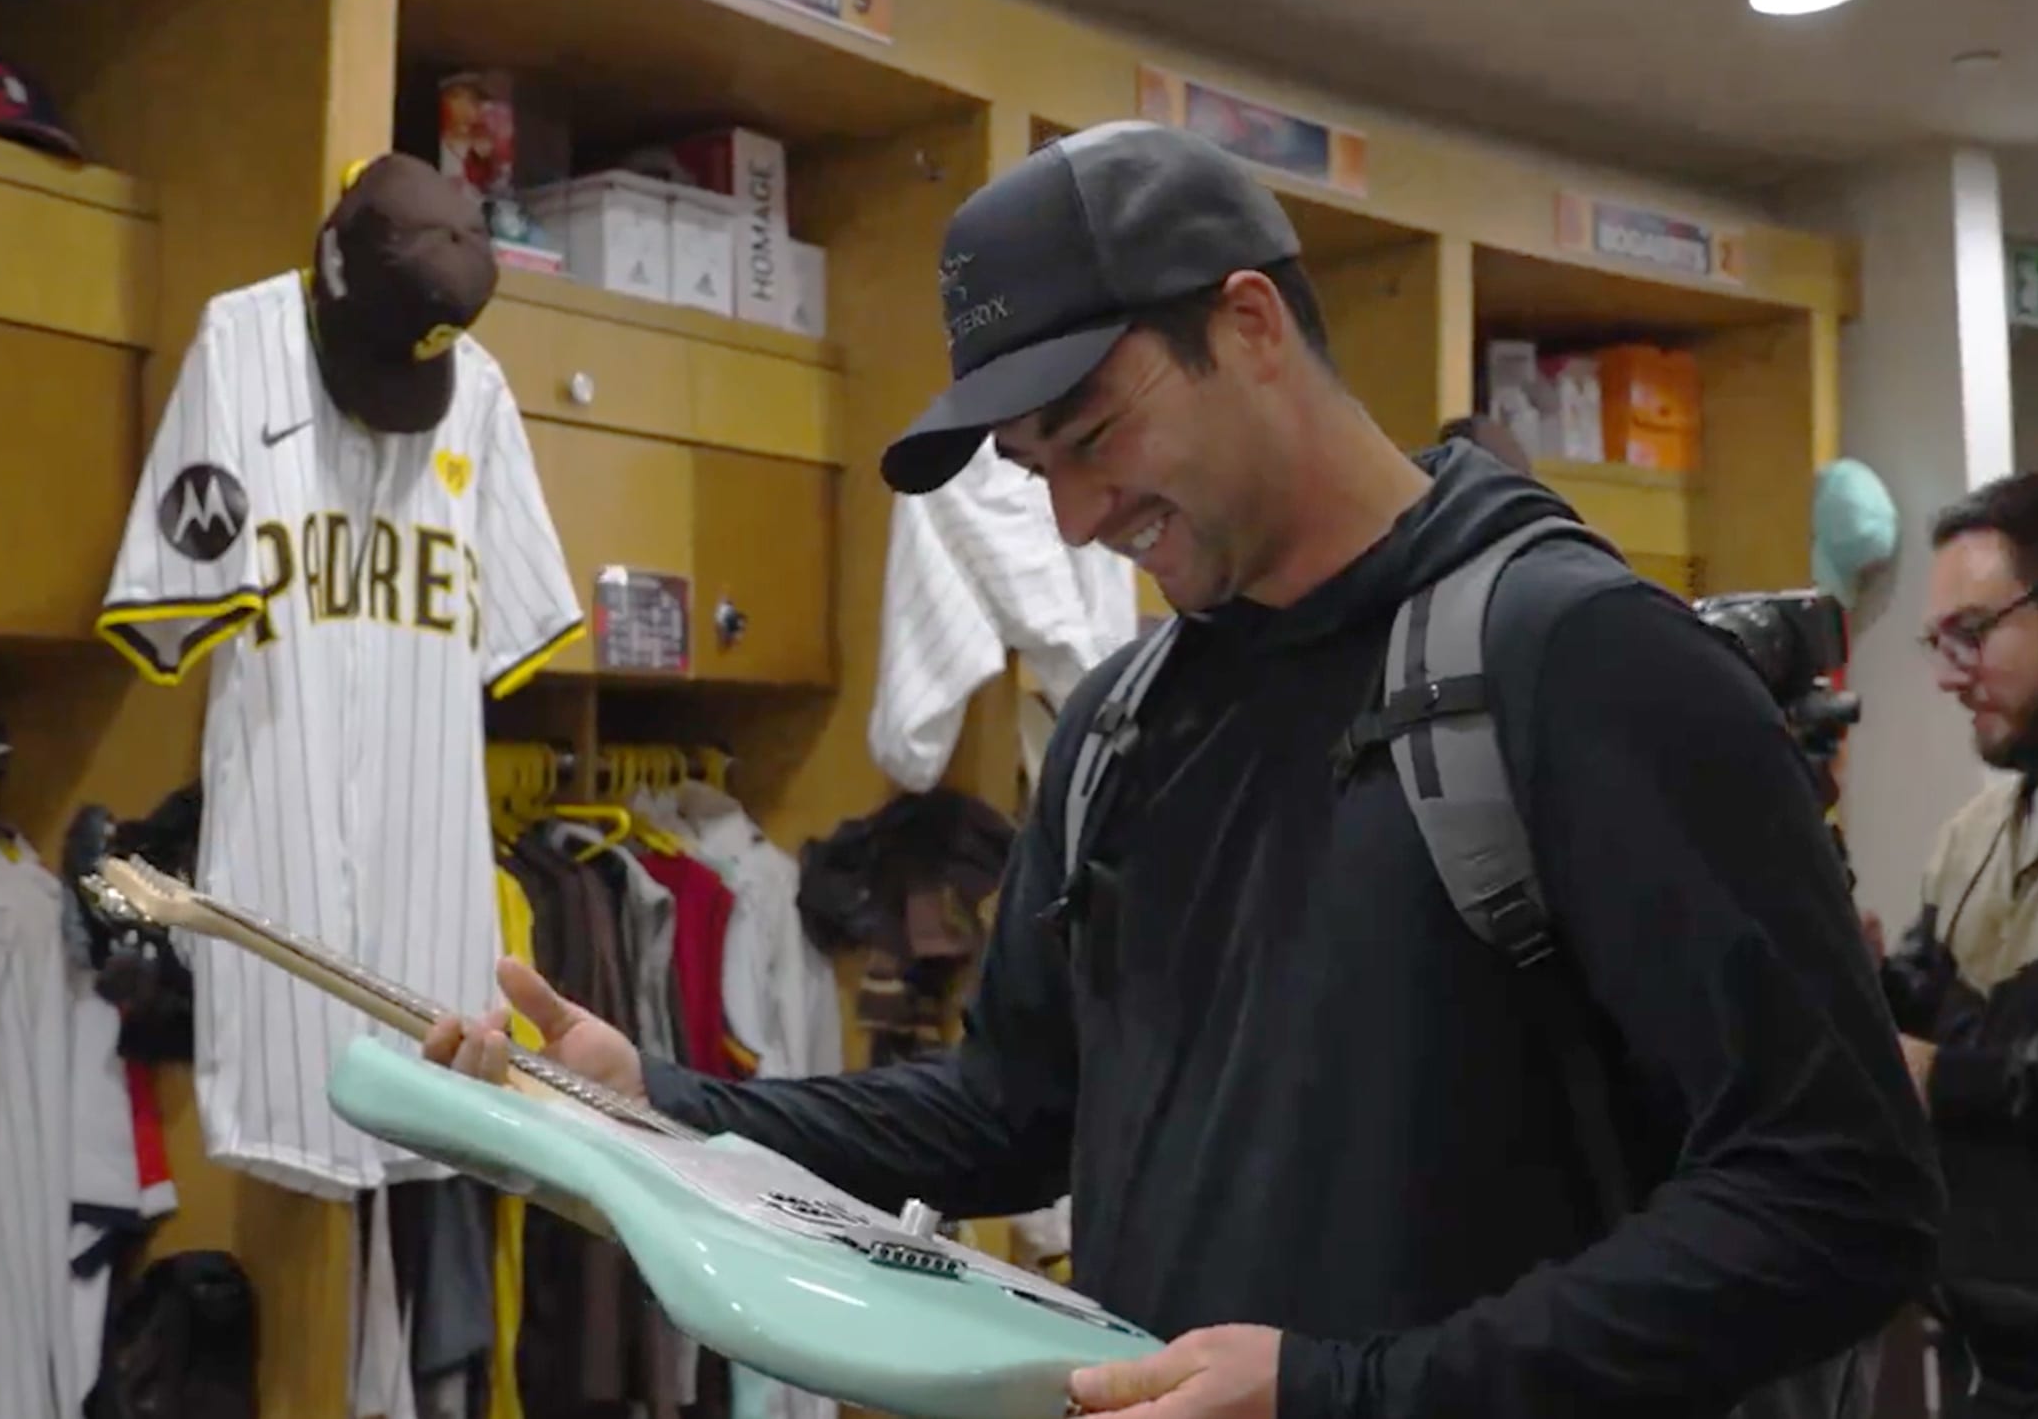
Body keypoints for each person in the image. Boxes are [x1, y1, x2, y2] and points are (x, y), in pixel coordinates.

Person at [425, 120, 1943, 1417]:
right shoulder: (1120, 730)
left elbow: (1836, 1199)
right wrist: (675, 1103)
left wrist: (1359, 1391)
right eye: (1036, 470)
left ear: (1254, 326)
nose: (1077, 517)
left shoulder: (1579, 664)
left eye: (1093, 433)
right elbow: (1015, 1111)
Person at [1866, 472, 2038, 1418]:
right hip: (1996, 1362)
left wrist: (1939, 1076)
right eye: (1938, 642)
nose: (1949, 673)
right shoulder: (1972, 838)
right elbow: (1907, 1016)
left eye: (1974, 633)